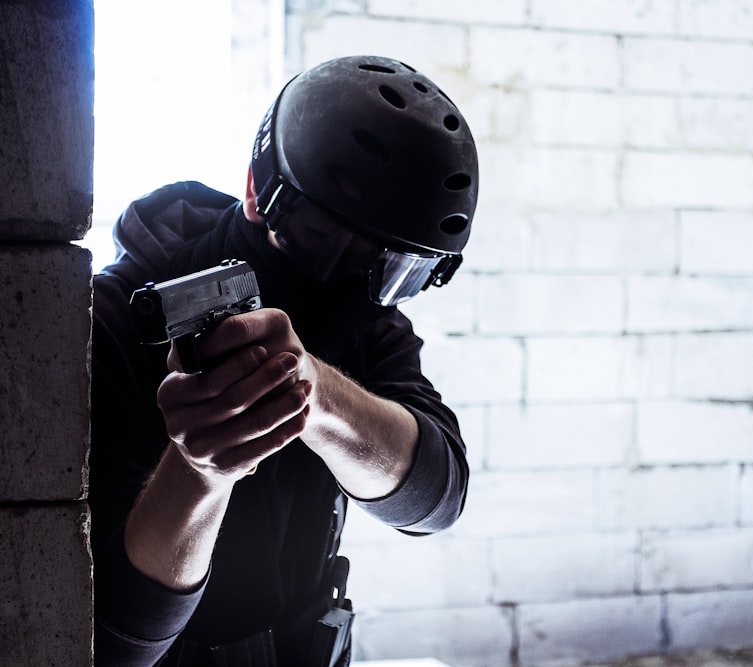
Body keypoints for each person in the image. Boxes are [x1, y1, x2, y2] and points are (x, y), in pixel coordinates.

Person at [89, 55, 477, 666]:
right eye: (323, 236)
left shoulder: (369, 317)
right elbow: (113, 644)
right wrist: (199, 472)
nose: (342, 280)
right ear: (256, 190)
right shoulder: (114, 319)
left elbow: (437, 497)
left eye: (390, 268)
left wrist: (318, 396)